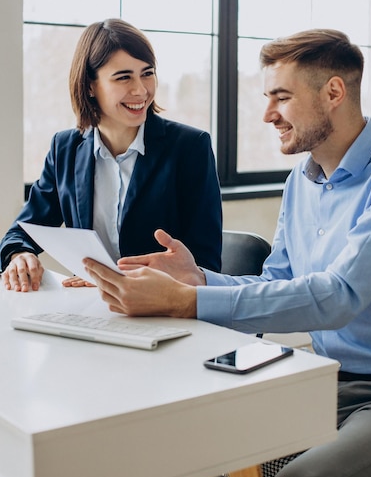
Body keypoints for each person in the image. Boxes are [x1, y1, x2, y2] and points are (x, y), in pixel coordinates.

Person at [82, 29, 371, 477]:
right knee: (176, 447)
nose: (267, 114)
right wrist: (197, 281)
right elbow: (275, 280)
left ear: (333, 92)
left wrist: (186, 303)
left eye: (281, 97)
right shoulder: (302, 180)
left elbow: (338, 296)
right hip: (320, 380)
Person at [0, 18, 222, 292]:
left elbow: (206, 263)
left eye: (147, 73)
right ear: (90, 86)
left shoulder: (190, 147)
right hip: (90, 307)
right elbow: (23, 230)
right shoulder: (65, 148)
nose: (141, 90)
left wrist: (121, 278)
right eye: (124, 77)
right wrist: (19, 255)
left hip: (164, 308)